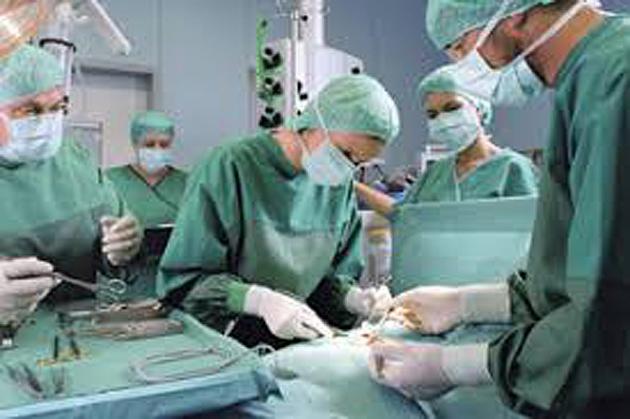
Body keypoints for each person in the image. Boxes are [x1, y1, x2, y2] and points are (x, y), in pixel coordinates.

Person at [368, 0, 630, 417]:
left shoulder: (616, 81)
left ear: (512, 13)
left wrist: (459, 364)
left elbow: (609, 312)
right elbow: (571, 271)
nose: (460, 65)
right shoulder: (589, 78)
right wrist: (467, 303)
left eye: (460, 47)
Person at [158, 75, 399, 348]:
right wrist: (259, 301)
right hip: (223, 345)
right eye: (345, 153)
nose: (348, 168)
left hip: (297, 342)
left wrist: (351, 298)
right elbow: (185, 283)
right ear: (315, 122)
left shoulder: (337, 187)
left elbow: (326, 282)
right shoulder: (230, 166)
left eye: (360, 162)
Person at [0, 44, 143, 332]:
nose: (46, 121)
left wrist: (123, 249)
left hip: (81, 327)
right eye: (29, 110)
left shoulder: (74, 158)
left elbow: (115, 236)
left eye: (57, 107)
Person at [355, 66, 538, 217]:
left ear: (479, 109)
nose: (443, 120)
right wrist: (352, 185)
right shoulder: (436, 174)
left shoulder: (512, 168)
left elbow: (531, 233)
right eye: (432, 114)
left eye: (452, 108)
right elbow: (403, 214)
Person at [106, 111, 188, 229]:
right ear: (135, 144)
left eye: (164, 144)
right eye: (149, 144)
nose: (157, 150)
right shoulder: (111, 180)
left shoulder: (187, 183)